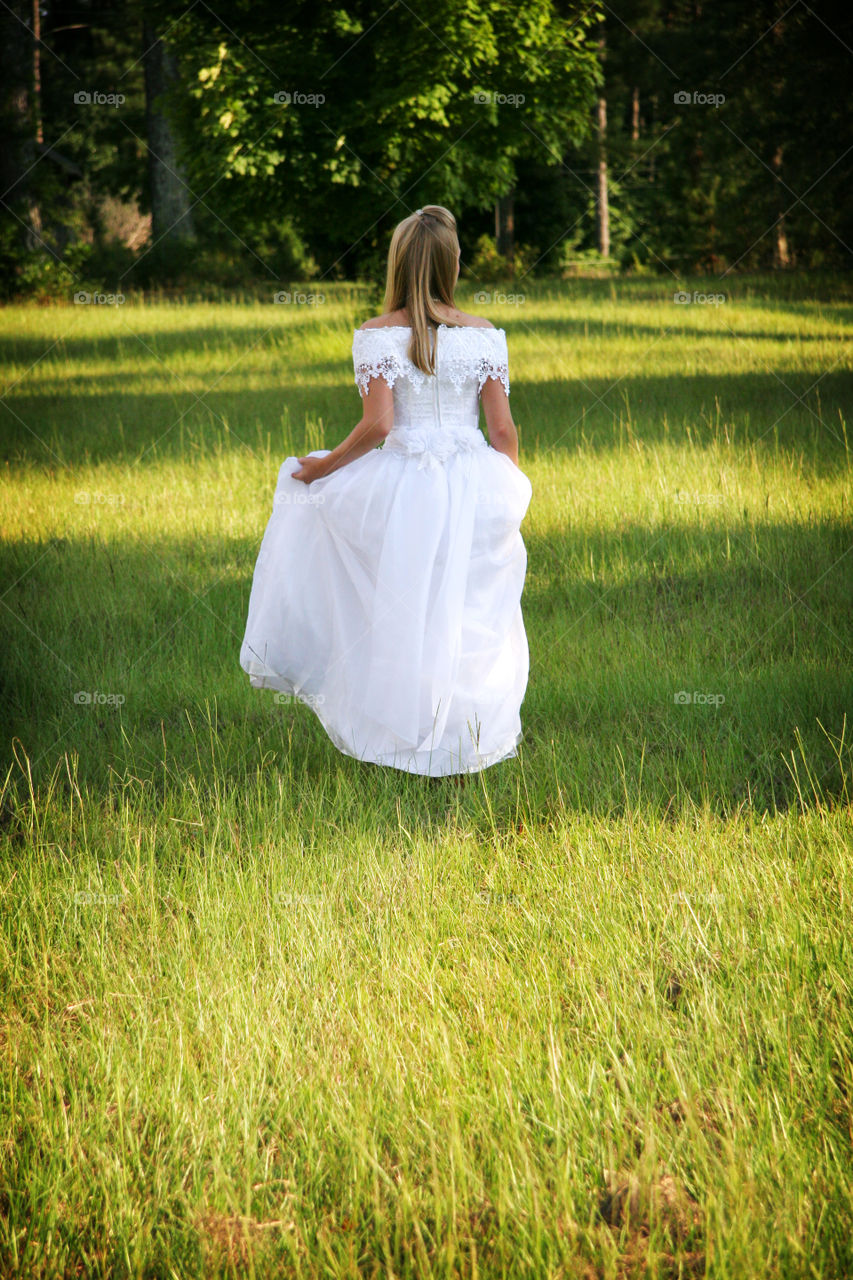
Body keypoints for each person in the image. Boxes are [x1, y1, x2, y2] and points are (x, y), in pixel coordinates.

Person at [239, 204, 532, 776]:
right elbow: (502, 431)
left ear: (397, 262)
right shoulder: (484, 336)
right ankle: (469, 739)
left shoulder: (376, 336)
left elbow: (378, 426)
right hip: (474, 481)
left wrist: (323, 471)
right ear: (452, 263)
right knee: (469, 606)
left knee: (403, 602)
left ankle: (404, 733)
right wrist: (508, 495)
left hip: (408, 487)